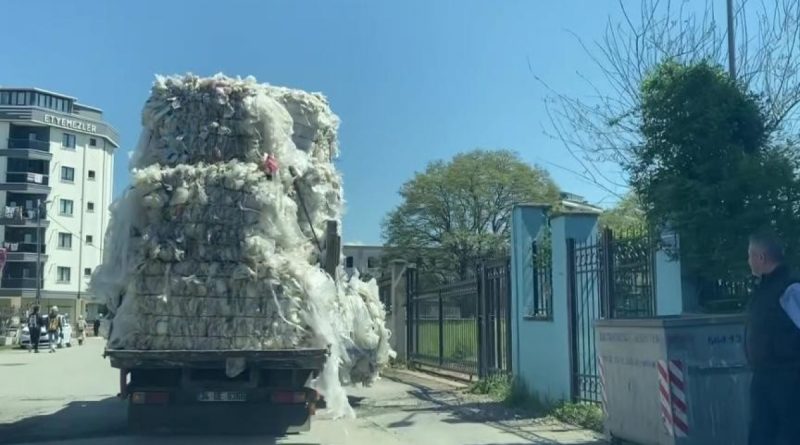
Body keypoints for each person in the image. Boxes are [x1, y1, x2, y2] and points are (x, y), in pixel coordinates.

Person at [745, 230, 800, 444]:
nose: (747, 261)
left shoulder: (790, 288)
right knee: (761, 434)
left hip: (789, 381)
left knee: (788, 435)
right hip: (765, 377)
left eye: (749, 255)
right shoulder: (765, 289)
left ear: (761, 258)